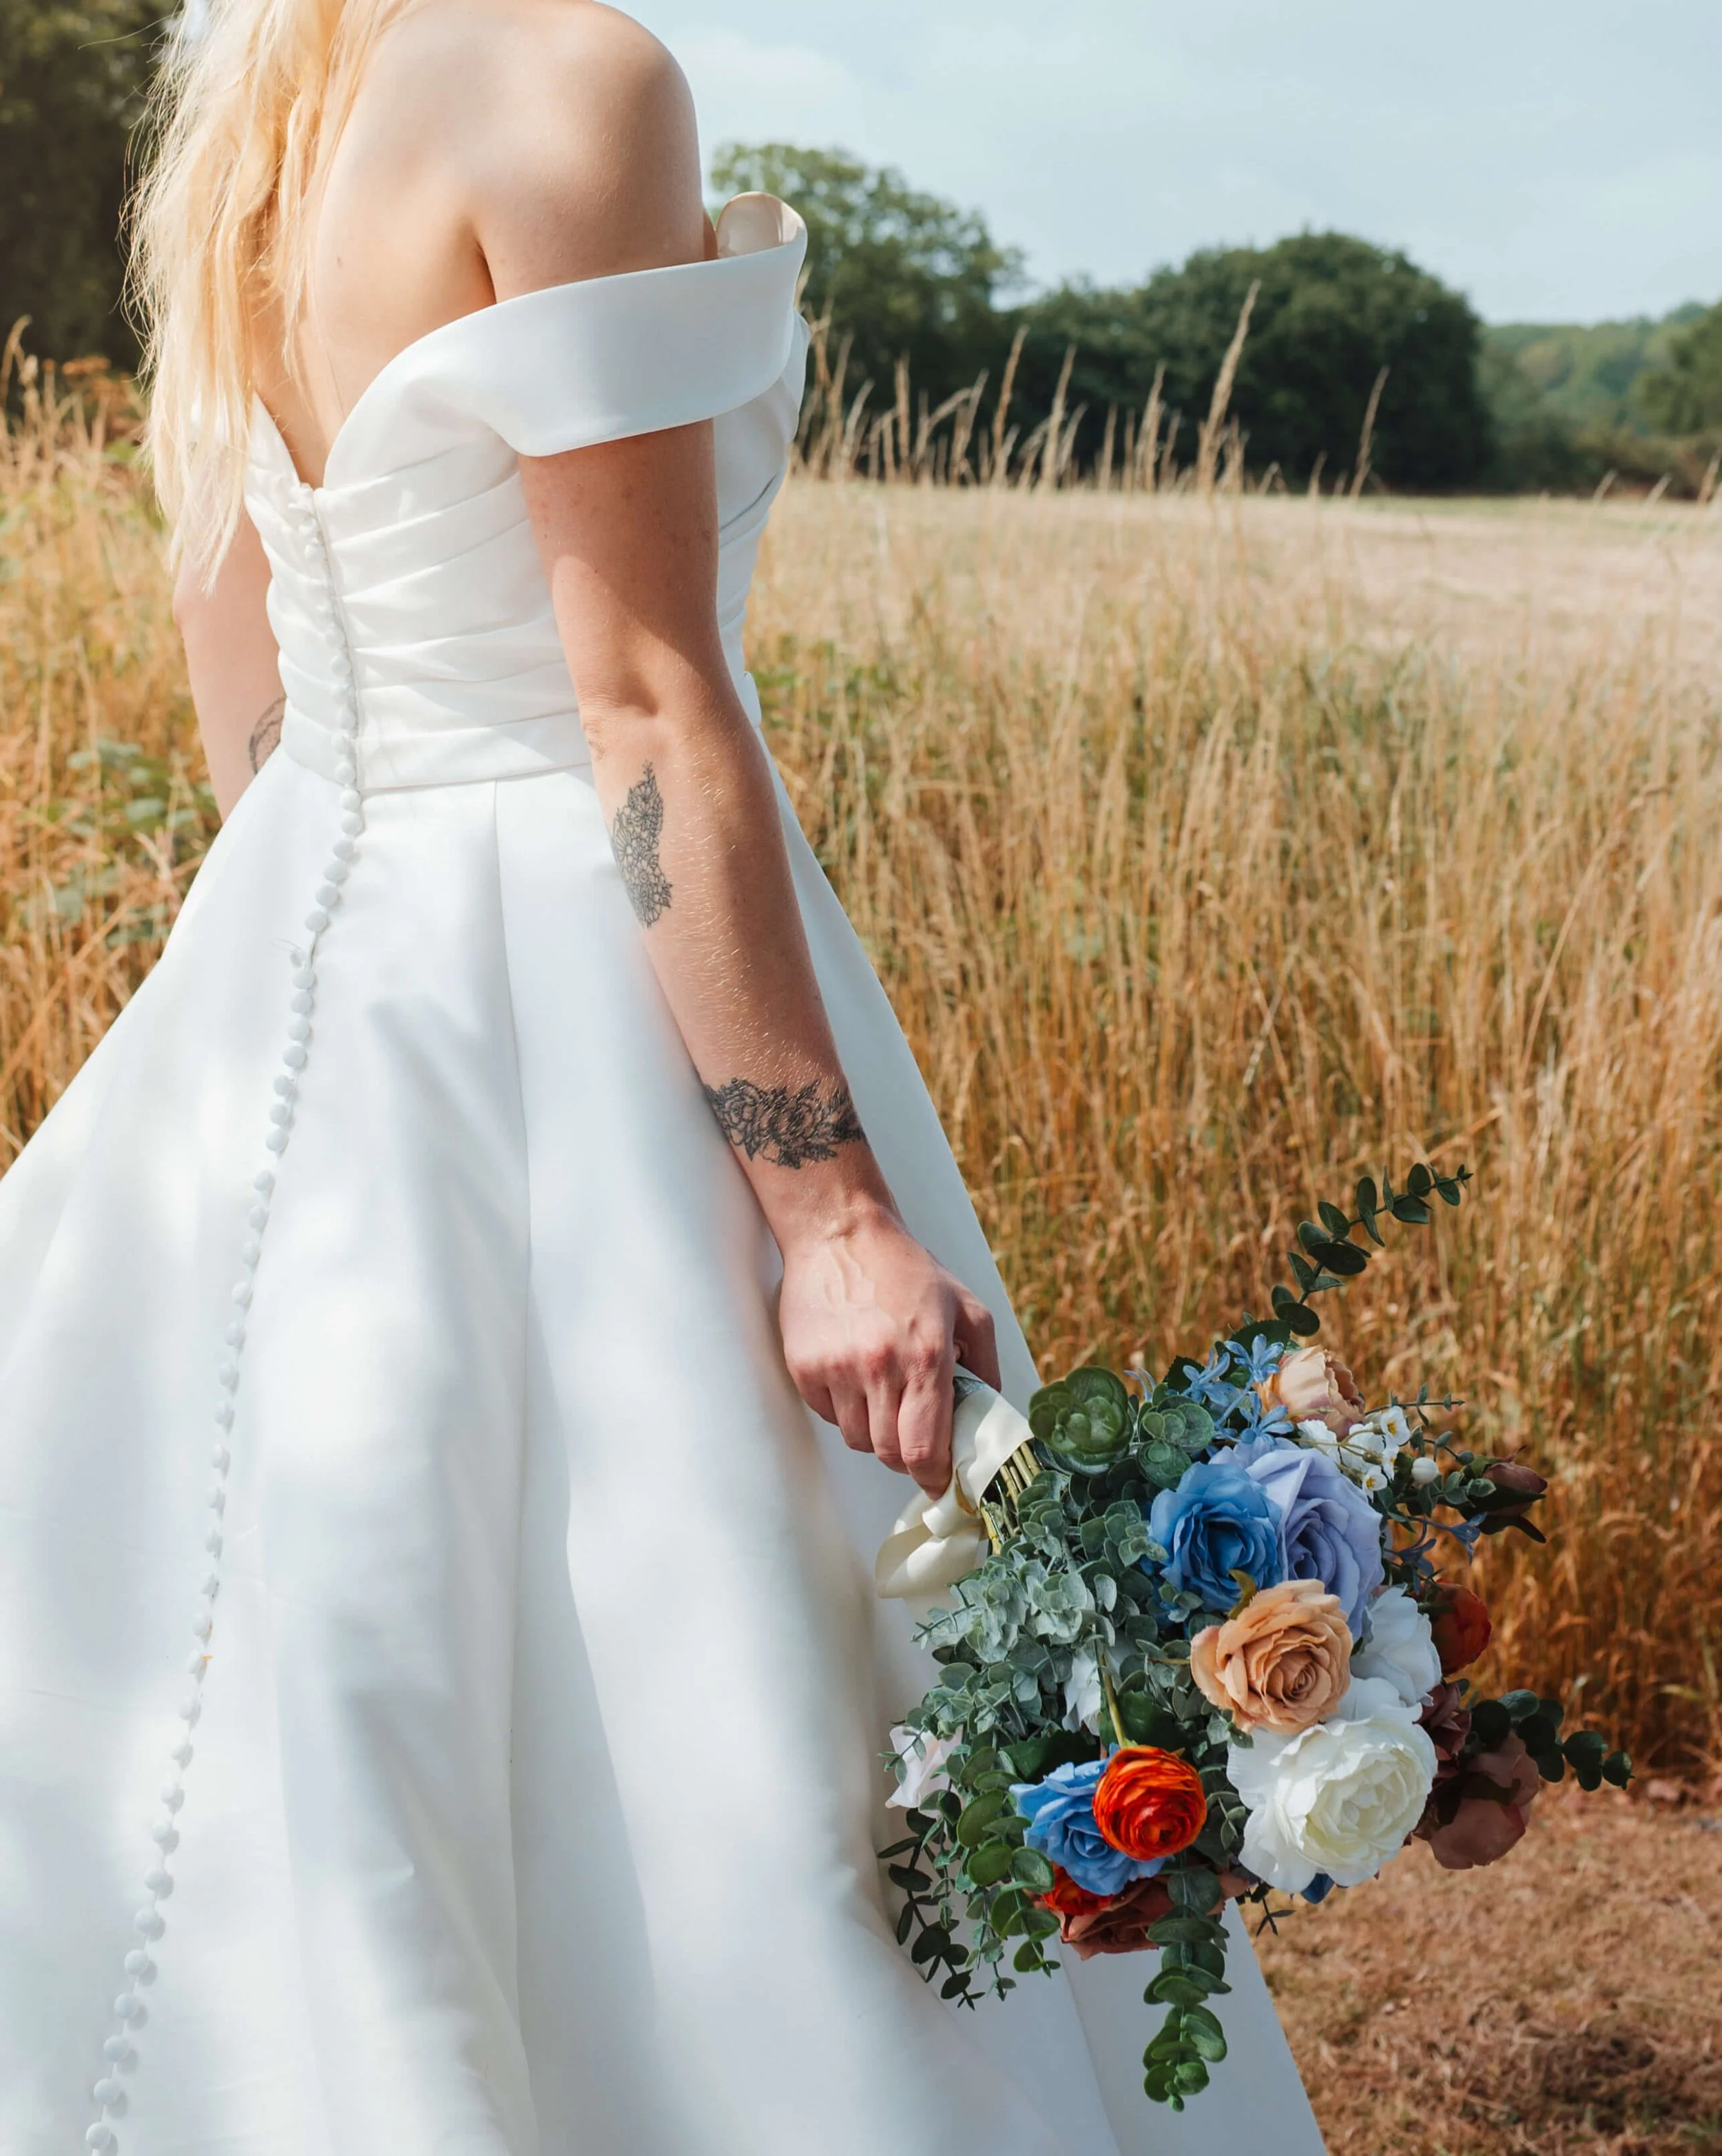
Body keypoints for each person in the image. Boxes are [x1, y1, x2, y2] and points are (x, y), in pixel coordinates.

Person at [0, 2, 1327, 2149]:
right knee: (717, 1680)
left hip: (316, 935)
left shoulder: (272, 96)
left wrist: (278, 1010)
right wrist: (825, 1214)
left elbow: (236, 647)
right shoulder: (569, 72)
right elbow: (631, 699)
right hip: (580, 963)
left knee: (325, 1660)